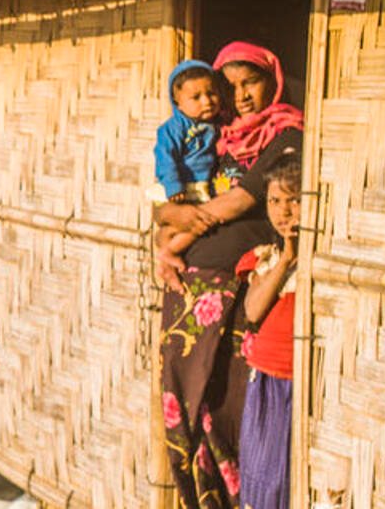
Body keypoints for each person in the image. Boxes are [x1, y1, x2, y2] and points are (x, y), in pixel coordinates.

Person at [153, 41, 302, 508]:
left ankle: (233, 497)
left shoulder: (287, 135)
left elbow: (241, 200)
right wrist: (163, 231)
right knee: (185, 400)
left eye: (250, 82)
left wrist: (175, 233)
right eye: (230, 85)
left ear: (272, 80)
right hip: (192, 289)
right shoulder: (219, 138)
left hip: (235, 290)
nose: (240, 96)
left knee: (221, 402)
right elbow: (182, 199)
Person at [234, 155, 301, 509]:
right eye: (275, 200)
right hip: (267, 379)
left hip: (301, 381)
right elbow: (253, 309)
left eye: (294, 199)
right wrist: (287, 257)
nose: (284, 211)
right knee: (262, 474)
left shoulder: (325, 262)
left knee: (288, 478)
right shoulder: (266, 258)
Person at [152, 58, 224, 211]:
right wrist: (173, 185)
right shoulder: (172, 129)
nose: (207, 101)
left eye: (211, 93)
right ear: (177, 102)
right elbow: (164, 157)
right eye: (196, 97)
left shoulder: (218, 124)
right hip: (180, 190)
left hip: (203, 187)